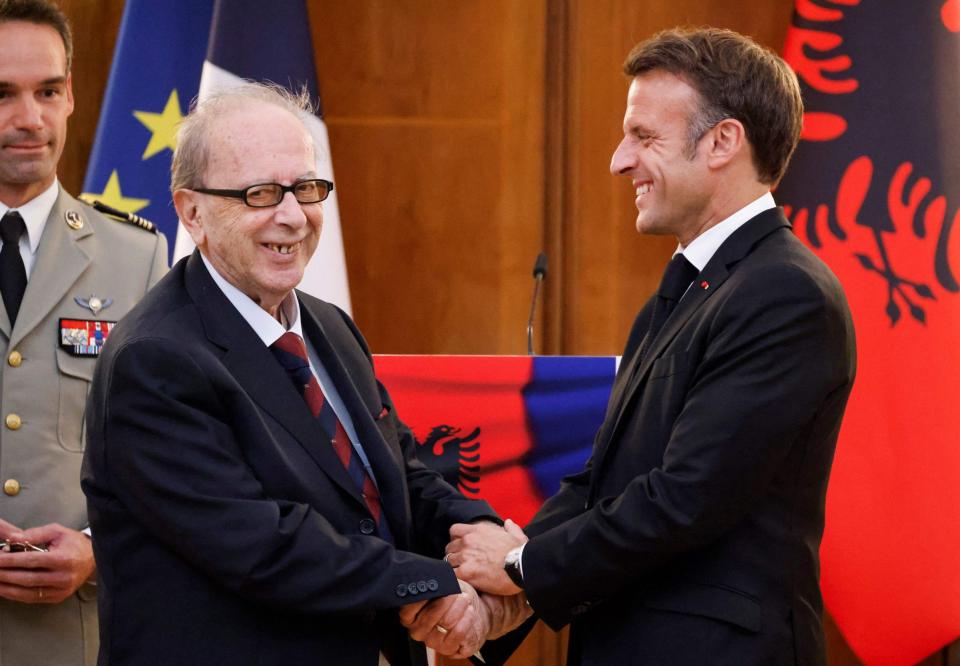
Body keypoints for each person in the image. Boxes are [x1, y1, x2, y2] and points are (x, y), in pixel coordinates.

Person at [445, 27, 857, 666]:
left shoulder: (784, 292)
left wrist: (522, 567)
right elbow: (604, 483)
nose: (618, 160)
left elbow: (687, 497)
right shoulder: (689, 290)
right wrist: (504, 595)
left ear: (722, 142)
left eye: (644, 136)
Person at [81, 81, 508, 665]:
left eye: (305, 189)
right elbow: (263, 545)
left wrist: (489, 543)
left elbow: (400, 479)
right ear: (192, 212)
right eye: (260, 194)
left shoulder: (329, 327)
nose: (292, 217)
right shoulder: (153, 361)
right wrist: (436, 583)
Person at [0, 1, 167, 664]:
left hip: (75, 637)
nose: (30, 119)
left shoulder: (139, 259)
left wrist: (99, 546)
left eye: (48, 91)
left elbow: (173, 451)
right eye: (3, 94)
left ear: (71, 96)